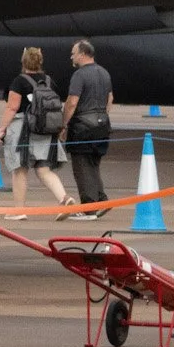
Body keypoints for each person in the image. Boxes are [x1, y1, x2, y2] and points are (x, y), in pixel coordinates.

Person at [0, 46, 71, 218]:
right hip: (45, 129)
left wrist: (2, 129)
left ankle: (19, 210)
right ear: (40, 61)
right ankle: (64, 199)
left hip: (24, 128)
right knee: (44, 169)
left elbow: (12, 107)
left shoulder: (19, 81)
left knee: (20, 169)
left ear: (23, 62)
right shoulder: (48, 80)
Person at [60, 40, 114, 219]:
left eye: (73, 53)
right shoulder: (104, 72)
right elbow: (110, 99)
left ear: (83, 54)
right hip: (102, 125)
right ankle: (101, 199)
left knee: (82, 166)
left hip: (83, 126)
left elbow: (72, 101)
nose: (71, 56)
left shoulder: (79, 75)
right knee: (93, 165)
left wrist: (64, 124)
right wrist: (102, 117)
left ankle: (89, 207)